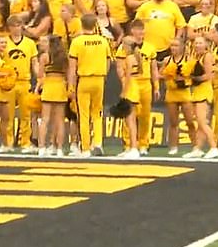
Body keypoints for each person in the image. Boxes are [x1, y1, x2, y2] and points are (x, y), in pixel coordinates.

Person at [68, 13, 112, 157]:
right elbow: (108, 60)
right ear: (95, 25)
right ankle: (98, 142)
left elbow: (72, 67)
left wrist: (71, 86)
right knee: (97, 113)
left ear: (81, 24)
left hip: (84, 79)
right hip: (99, 79)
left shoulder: (77, 42)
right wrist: (103, 73)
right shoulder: (102, 41)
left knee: (84, 115)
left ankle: (85, 148)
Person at [115, 19, 159, 156]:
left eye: (142, 30)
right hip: (132, 83)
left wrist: (156, 86)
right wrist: (123, 83)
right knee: (129, 115)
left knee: (144, 115)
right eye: (137, 29)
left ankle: (143, 144)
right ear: (132, 31)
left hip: (145, 83)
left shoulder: (150, 48)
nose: (139, 33)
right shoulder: (123, 49)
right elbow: (119, 68)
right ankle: (129, 144)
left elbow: (153, 69)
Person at [5, 14, 39, 152]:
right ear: (9, 28)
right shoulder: (4, 42)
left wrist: (39, 76)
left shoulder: (29, 43)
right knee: (8, 114)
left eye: (19, 25)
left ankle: (25, 142)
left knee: (26, 114)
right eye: (13, 26)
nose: (16, 28)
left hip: (24, 81)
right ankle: (8, 142)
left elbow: (34, 62)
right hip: (8, 82)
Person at [184, 36, 218, 159]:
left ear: (206, 45)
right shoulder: (196, 57)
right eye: (195, 43)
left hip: (205, 90)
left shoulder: (207, 56)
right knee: (200, 123)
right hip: (197, 90)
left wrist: (195, 78)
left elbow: (210, 75)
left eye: (200, 43)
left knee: (202, 121)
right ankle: (198, 149)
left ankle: (214, 147)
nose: (197, 45)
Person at [160, 38, 196, 155]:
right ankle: (173, 147)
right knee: (173, 122)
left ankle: (195, 146)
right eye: (172, 46)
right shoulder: (167, 60)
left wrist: (184, 77)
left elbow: (194, 74)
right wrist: (169, 75)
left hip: (185, 93)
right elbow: (159, 75)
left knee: (190, 121)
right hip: (171, 92)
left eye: (176, 46)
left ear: (182, 47)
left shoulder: (188, 59)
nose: (173, 48)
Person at [36, 35, 68, 157]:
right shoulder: (65, 58)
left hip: (49, 86)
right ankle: (59, 149)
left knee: (45, 119)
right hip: (60, 87)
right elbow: (68, 74)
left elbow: (40, 74)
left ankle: (42, 148)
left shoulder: (44, 57)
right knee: (60, 121)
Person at [118, 36, 142, 159]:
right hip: (135, 86)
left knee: (130, 120)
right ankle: (131, 148)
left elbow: (127, 77)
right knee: (129, 120)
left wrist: (124, 91)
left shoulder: (129, 59)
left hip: (130, 88)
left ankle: (133, 147)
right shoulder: (137, 57)